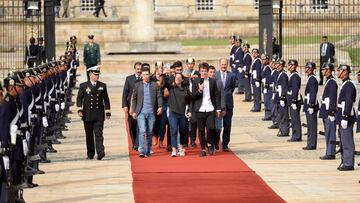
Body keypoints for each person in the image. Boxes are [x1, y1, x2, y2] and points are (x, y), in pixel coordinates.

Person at [76, 66, 111, 160]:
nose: (97, 76)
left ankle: (100, 152)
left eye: (98, 74)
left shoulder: (102, 85)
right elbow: (79, 98)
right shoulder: (83, 86)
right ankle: (90, 153)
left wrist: (107, 111)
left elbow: (106, 99)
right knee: (89, 135)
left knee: (99, 134)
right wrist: (79, 110)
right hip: (87, 114)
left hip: (99, 114)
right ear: (90, 75)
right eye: (95, 75)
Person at [0, 75, 25, 202]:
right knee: (13, 172)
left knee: (18, 169)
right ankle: (12, 198)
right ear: (11, 87)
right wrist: (5, 145)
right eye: (18, 87)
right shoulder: (6, 104)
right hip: (11, 145)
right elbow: (4, 126)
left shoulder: (14, 101)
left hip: (17, 143)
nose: (21, 89)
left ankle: (16, 196)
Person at [131, 64, 163, 157]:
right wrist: (133, 111)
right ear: (141, 76)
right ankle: (141, 150)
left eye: (147, 74)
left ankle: (148, 150)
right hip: (141, 112)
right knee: (142, 130)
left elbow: (159, 96)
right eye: (143, 74)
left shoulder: (154, 85)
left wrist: (160, 106)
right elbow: (134, 99)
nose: (145, 76)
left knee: (149, 132)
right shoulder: (137, 85)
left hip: (151, 112)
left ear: (149, 75)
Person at [192, 63, 221, 156]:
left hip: (210, 108)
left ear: (208, 72)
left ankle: (209, 143)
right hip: (200, 109)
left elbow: (216, 96)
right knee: (200, 130)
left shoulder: (212, 81)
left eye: (205, 71)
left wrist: (218, 109)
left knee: (211, 128)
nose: (203, 73)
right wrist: (199, 90)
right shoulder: (196, 81)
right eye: (202, 71)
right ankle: (203, 149)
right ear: (199, 71)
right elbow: (192, 96)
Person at [335, 64, 356, 171]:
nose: (337, 72)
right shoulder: (345, 84)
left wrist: (346, 117)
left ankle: (348, 163)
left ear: (344, 72)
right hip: (342, 115)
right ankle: (345, 161)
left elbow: (348, 102)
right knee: (343, 140)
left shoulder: (349, 85)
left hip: (345, 116)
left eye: (339, 70)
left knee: (347, 141)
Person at [168, 73, 191, 157]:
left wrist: (190, 111)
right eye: (176, 77)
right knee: (173, 131)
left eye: (179, 77)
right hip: (173, 113)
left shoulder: (186, 89)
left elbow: (190, 102)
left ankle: (181, 148)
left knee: (182, 131)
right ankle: (174, 149)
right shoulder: (171, 87)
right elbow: (166, 80)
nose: (177, 79)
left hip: (183, 114)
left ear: (182, 79)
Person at [215, 58, 236, 151]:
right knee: (217, 126)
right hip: (218, 105)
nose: (224, 66)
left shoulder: (232, 75)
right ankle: (216, 141)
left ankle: (225, 144)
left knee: (227, 126)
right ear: (219, 64)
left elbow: (232, 88)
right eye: (222, 64)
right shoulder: (215, 75)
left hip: (228, 104)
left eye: (225, 64)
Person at [319, 63, 337, 160]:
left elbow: (333, 98)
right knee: (328, 132)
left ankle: (331, 152)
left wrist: (331, 112)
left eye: (324, 69)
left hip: (329, 111)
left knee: (330, 132)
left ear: (329, 70)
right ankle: (329, 151)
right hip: (326, 110)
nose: (322, 71)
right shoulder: (328, 81)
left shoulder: (332, 82)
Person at [122, 62, 142, 151]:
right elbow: (125, 93)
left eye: (140, 69)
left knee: (139, 126)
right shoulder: (129, 79)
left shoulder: (144, 79)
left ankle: (137, 144)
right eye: (137, 69)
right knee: (131, 126)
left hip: (140, 107)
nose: (139, 71)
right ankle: (134, 142)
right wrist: (124, 105)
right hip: (130, 107)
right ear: (135, 69)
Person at [303, 62, 319, 150]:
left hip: (310, 105)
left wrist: (311, 105)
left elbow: (313, 93)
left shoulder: (312, 79)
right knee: (310, 125)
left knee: (312, 126)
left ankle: (312, 144)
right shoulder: (310, 78)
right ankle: (310, 143)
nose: (307, 69)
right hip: (308, 104)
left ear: (312, 69)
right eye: (306, 67)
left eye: (309, 68)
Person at [287, 60, 302, 142]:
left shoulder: (295, 76)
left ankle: (296, 136)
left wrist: (293, 100)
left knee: (295, 119)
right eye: (289, 65)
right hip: (292, 99)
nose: (289, 66)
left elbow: (295, 89)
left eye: (291, 65)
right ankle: (295, 134)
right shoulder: (292, 75)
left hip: (295, 101)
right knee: (293, 119)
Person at [276, 59, 289, 137]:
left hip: (282, 97)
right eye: (277, 65)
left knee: (284, 115)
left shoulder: (283, 75)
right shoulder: (280, 74)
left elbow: (284, 87)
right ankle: (282, 129)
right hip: (279, 96)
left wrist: (282, 97)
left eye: (279, 65)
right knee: (280, 114)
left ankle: (284, 130)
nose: (278, 66)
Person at [261, 54, 272, 120]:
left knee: (267, 101)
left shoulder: (267, 68)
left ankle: (268, 115)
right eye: (262, 59)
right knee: (266, 101)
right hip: (264, 85)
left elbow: (267, 78)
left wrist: (266, 87)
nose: (262, 61)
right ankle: (267, 114)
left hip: (267, 87)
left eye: (264, 59)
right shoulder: (264, 67)